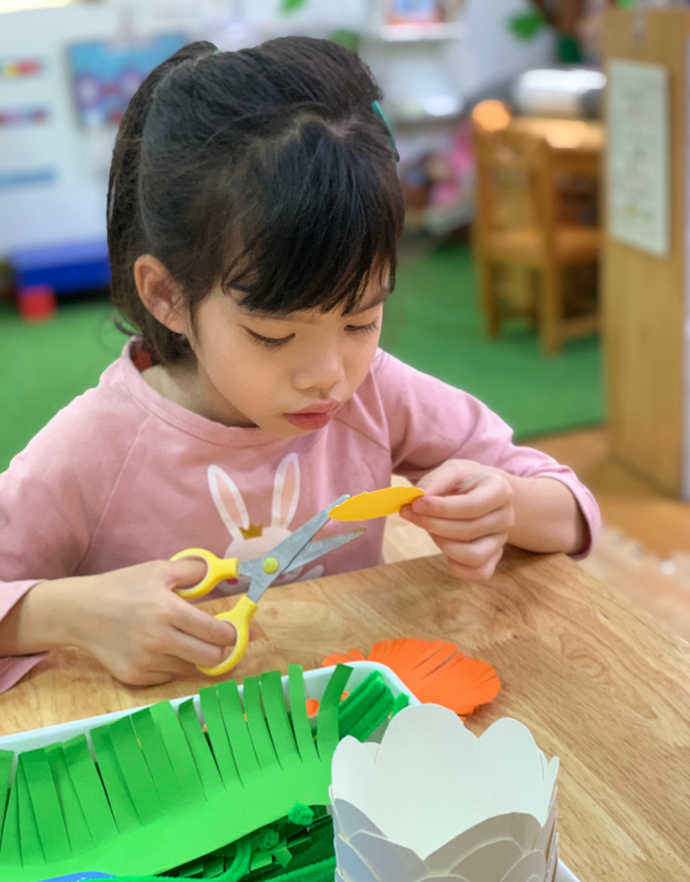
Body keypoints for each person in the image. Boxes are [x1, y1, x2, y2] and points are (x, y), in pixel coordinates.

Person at [0, 39, 600, 691]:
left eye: (360, 321)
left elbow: (570, 508)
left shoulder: (376, 393)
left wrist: (507, 506)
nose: (329, 376)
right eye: (274, 335)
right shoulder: (98, 449)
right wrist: (71, 613)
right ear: (167, 296)